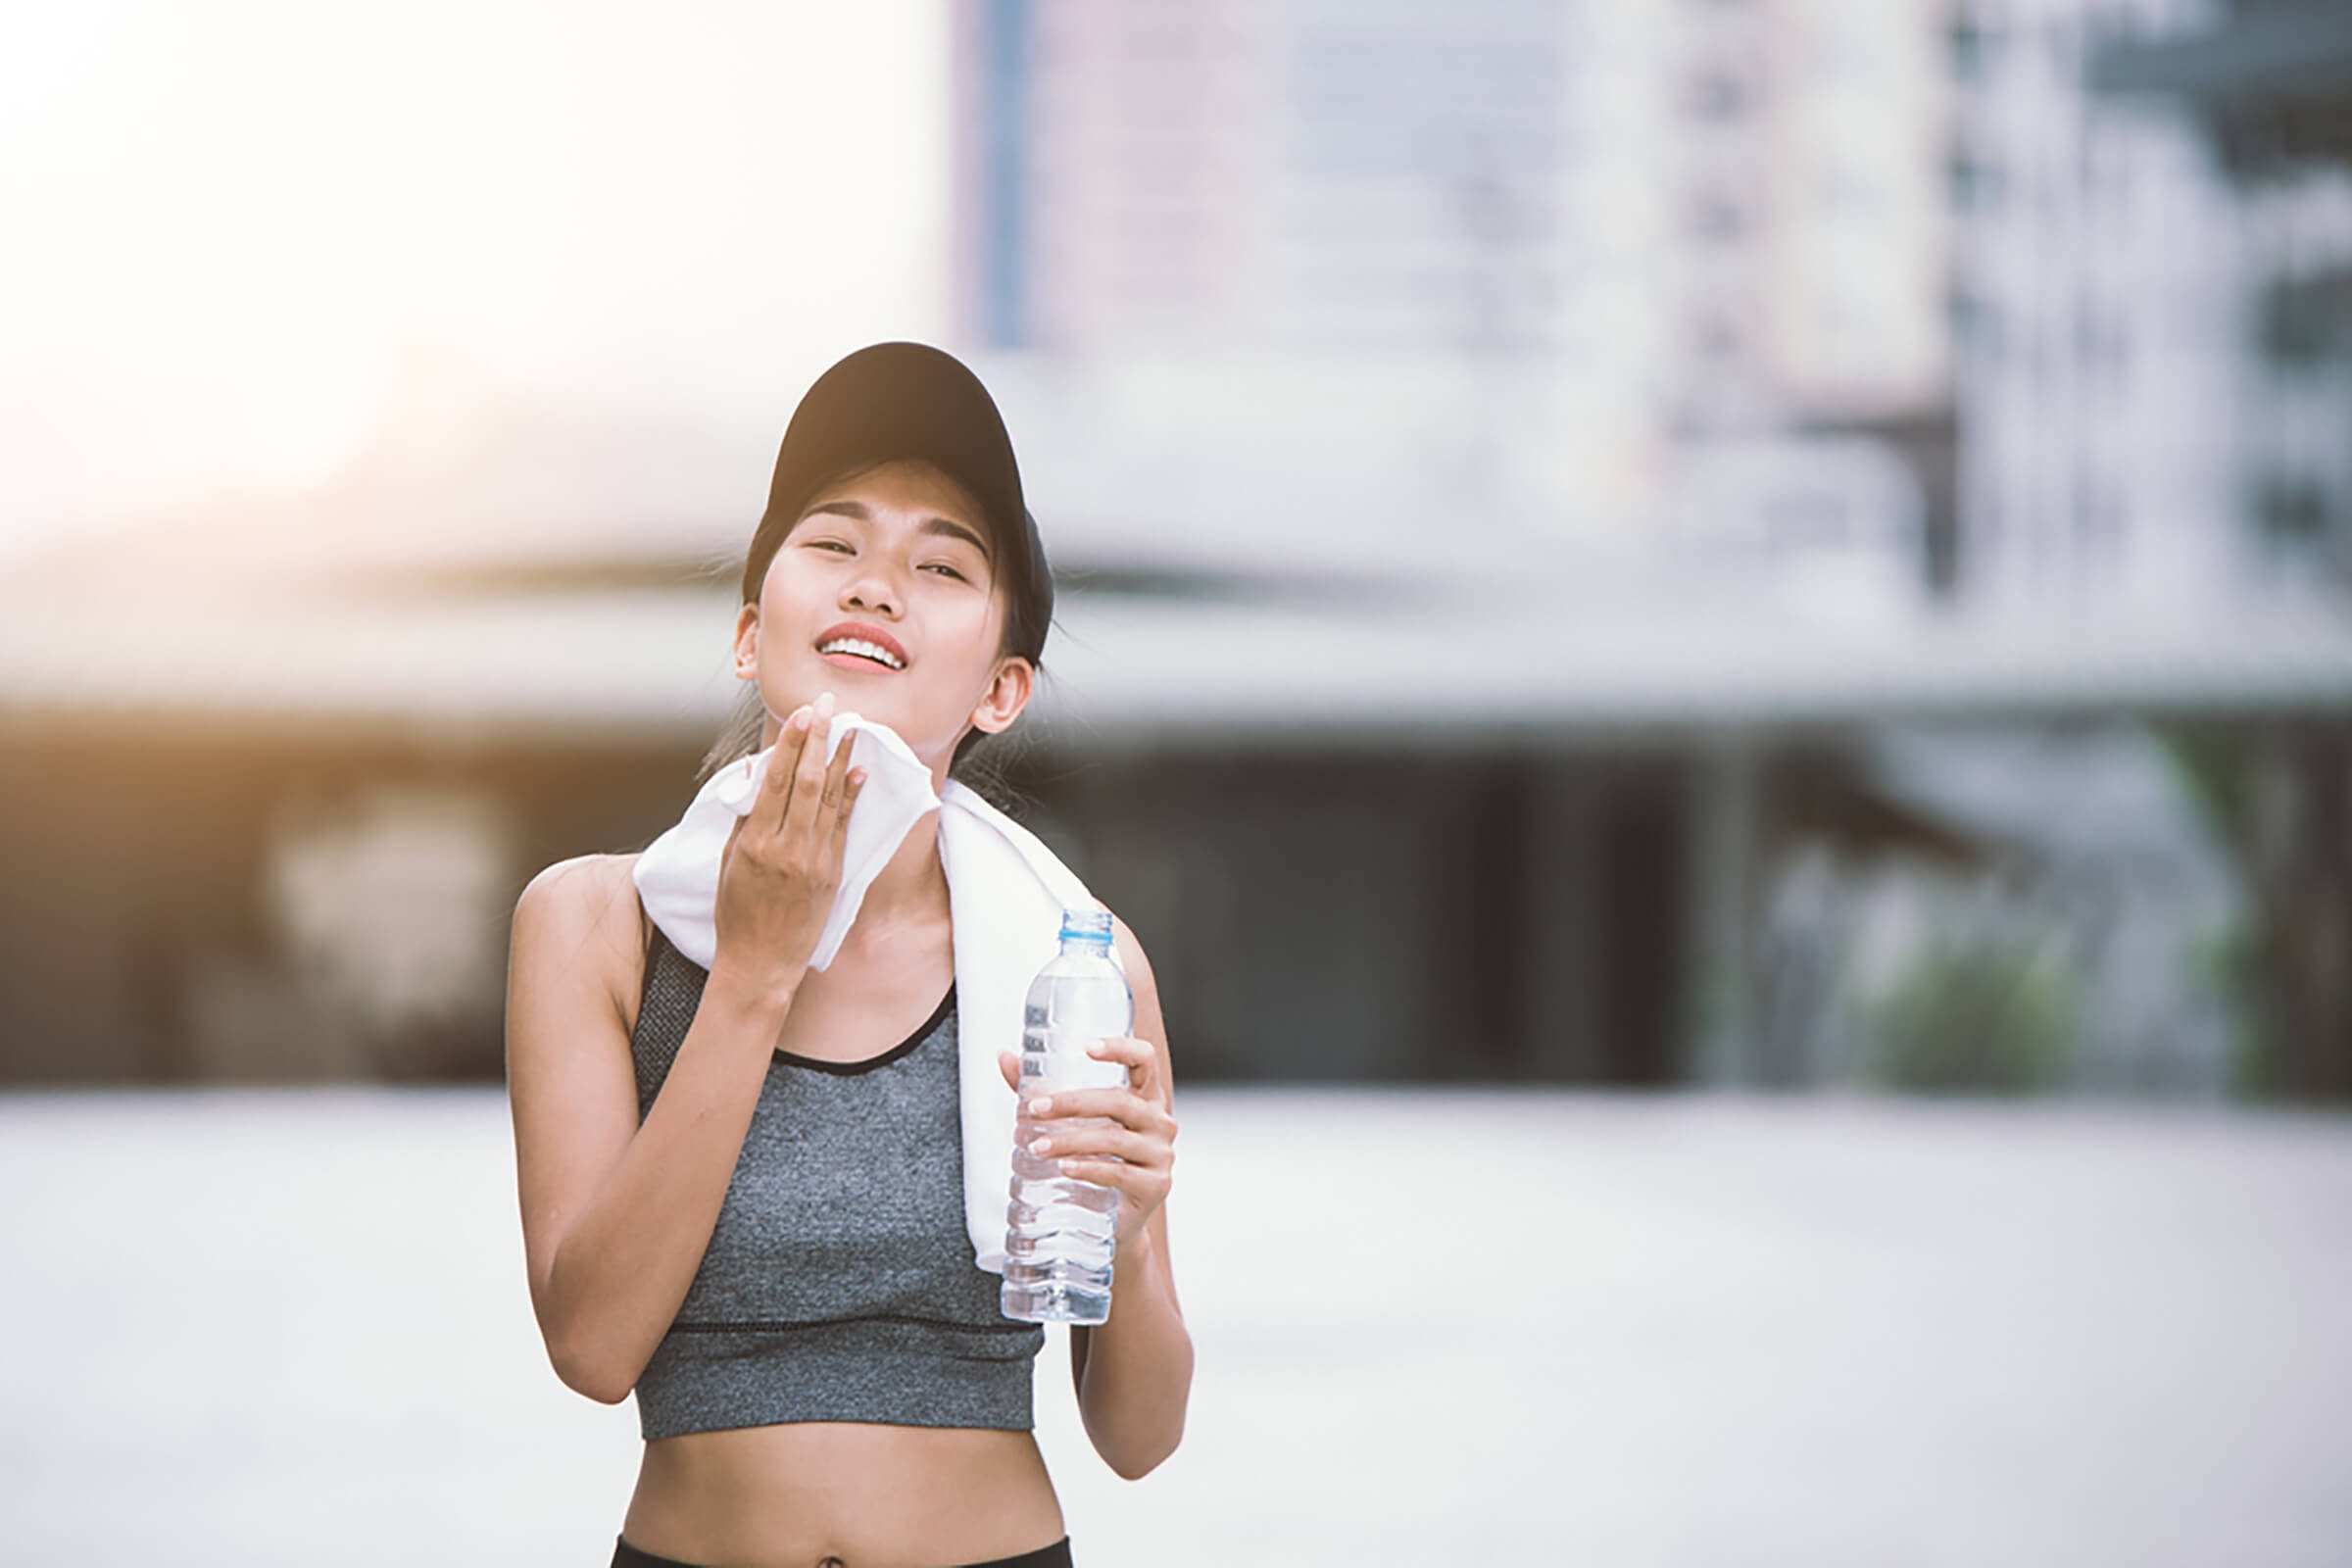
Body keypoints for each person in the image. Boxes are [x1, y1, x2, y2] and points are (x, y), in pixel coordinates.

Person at [504, 342, 1193, 1568]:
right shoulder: (595, 924)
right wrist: (757, 970)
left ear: (1002, 688)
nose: (878, 583)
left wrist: (1130, 1231)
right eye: (835, 543)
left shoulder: (1071, 959)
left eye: (941, 564)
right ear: (747, 629)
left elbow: (1138, 1437)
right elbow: (593, 1347)